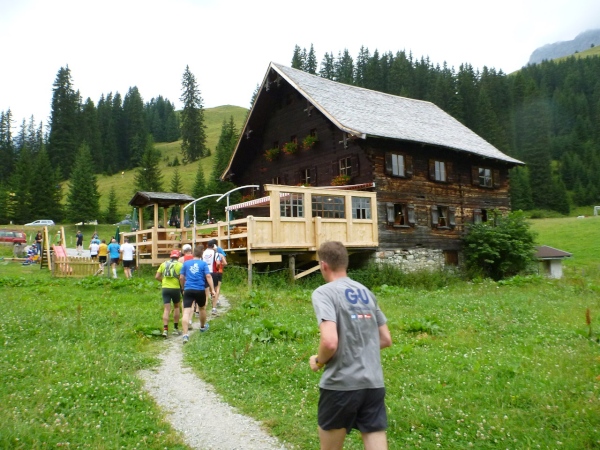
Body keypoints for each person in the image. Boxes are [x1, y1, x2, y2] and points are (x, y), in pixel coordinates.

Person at [309, 241, 392, 450]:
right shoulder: (366, 292)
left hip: (341, 385)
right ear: (345, 263)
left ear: (323, 265)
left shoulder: (324, 293)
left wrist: (318, 361)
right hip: (373, 384)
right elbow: (385, 339)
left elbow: (330, 342)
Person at [179, 245, 215, 344]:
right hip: (200, 289)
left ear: (193, 253)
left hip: (188, 289)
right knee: (202, 308)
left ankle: (185, 335)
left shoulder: (186, 263)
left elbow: (181, 277)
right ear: (201, 255)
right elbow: (208, 276)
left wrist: (183, 288)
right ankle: (202, 327)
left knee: (186, 312)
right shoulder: (203, 264)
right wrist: (212, 289)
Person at [156, 249, 183, 337]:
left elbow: (157, 276)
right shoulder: (180, 265)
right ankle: (175, 329)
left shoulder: (163, 264)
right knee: (176, 307)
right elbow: (182, 278)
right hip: (175, 288)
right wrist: (182, 287)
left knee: (166, 309)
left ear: (170, 256)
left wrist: (163, 281)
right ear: (178, 256)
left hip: (165, 288)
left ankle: (165, 330)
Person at [203, 239, 227, 315]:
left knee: (206, 291)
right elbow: (218, 263)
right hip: (213, 272)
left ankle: (203, 309)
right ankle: (214, 308)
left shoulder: (203, 253)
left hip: (204, 273)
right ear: (213, 246)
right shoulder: (215, 253)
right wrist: (217, 268)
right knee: (215, 290)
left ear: (207, 245)